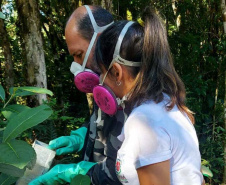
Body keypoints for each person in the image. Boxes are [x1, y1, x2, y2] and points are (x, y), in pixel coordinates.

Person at [93, 7, 204, 185]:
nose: (100, 80)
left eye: (101, 72)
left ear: (116, 72)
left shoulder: (144, 123)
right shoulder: (168, 104)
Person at [29, 5, 125, 185]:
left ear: (101, 41)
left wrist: (74, 172)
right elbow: (99, 120)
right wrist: (81, 136)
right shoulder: (104, 84)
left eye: (79, 55)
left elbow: (124, 173)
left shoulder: (133, 92)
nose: (76, 66)